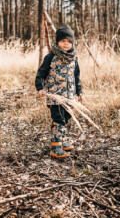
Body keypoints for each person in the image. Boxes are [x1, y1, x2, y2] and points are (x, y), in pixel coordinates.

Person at [35, 25, 83, 158]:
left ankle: (62, 140)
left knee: (67, 119)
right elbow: (41, 73)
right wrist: (40, 87)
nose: (66, 44)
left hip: (69, 97)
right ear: (57, 42)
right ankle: (55, 146)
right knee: (58, 119)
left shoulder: (74, 58)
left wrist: (79, 92)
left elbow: (76, 77)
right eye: (63, 41)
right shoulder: (51, 57)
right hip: (55, 97)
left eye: (69, 41)